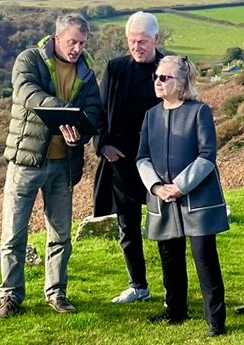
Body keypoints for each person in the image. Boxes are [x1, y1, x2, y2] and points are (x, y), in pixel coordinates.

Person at [0, 13, 101, 318]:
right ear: (57, 38)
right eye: (72, 42)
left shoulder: (87, 72)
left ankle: (56, 293)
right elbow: (27, 93)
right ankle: (10, 297)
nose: (77, 48)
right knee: (13, 234)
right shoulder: (29, 59)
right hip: (26, 162)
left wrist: (80, 128)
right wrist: (67, 111)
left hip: (63, 165)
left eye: (82, 43)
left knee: (61, 235)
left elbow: (94, 111)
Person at [136, 55, 229, 336]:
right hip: (162, 200)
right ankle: (175, 311)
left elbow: (206, 156)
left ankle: (215, 321)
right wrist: (156, 187)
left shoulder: (199, 112)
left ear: (182, 82)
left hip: (197, 199)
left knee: (204, 258)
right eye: (156, 77)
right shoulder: (150, 115)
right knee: (169, 257)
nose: (158, 82)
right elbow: (142, 158)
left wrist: (180, 186)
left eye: (164, 78)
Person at [93, 11, 163, 303]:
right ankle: (138, 286)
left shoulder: (170, 66)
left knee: (166, 228)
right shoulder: (116, 69)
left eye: (143, 42)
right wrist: (103, 146)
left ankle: (174, 289)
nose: (137, 47)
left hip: (160, 162)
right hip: (121, 161)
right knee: (128, 227)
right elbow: (98, 112)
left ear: (156, 39)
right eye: (132, 42)